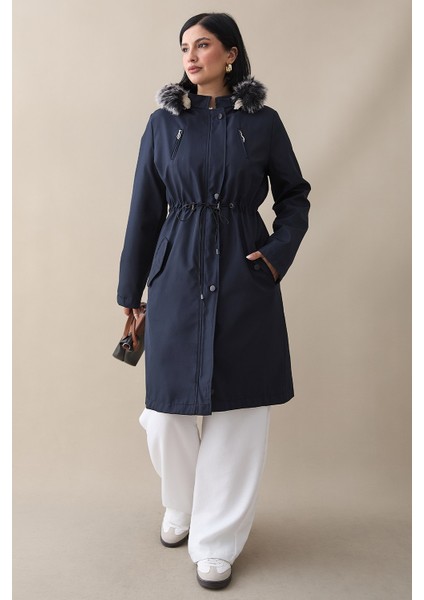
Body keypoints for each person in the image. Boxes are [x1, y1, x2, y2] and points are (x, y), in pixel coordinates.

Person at [117, 12, 311, 590]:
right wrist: (131, 292)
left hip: (242, 275)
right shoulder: (163, 124)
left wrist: (273, 256)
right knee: (165, 415)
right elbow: (144, 208)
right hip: (175, 273)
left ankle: (217, 541)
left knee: (240, 414)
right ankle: (181, 504)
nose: (191, 56)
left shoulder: (263, 123)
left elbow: (295, 197)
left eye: (203, 45)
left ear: (230, 54)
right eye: (184, 47)